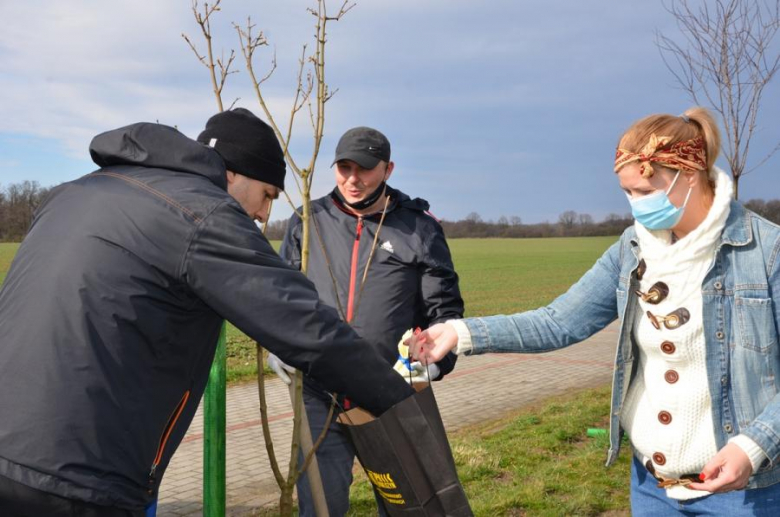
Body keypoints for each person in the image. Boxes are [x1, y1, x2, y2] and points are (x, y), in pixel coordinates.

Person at [0, 108, 415, 516]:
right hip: (77, 478)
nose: (263, 214)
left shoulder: (74, 193)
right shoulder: (203, 215)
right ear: (233, 174)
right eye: (267, 195)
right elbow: (309, 329)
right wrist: (403, 409)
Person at [410, 107, 780, 515]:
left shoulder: (768, 253)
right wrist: (460, 334)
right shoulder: (632, 249)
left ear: (689, 173)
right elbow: (558, 322)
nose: (635, 206)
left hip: (744, 492)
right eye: (627, 193)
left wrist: (754, 444)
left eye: (645, 191)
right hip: (653, 488)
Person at [268, 126, 464, 516]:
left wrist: (435, 364)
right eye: (344, 168)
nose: (352, 179)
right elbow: (283, 294)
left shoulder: (419, 228)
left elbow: (444, 312)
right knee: (320, 506)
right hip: (321, 393)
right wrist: (281, 345)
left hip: (390, 392)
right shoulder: (308, 220)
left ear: (388, 169)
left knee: (406, 505)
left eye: (365, 169)